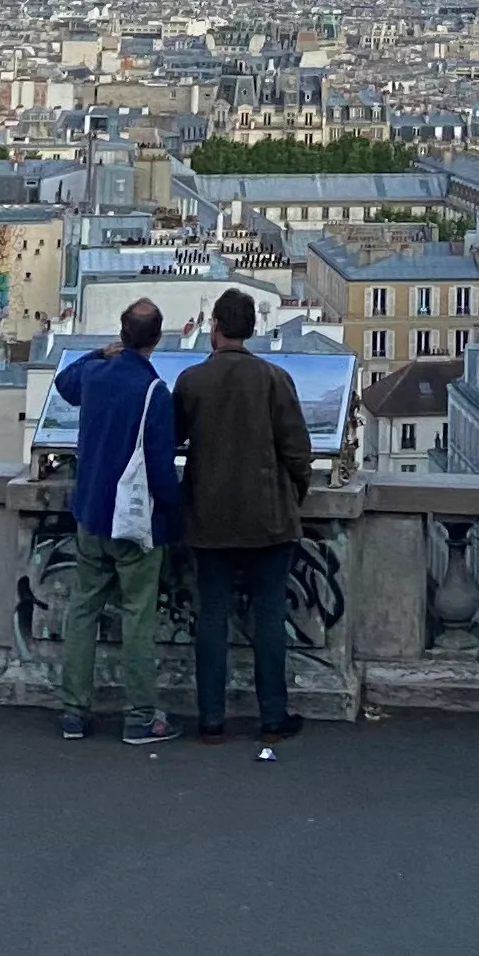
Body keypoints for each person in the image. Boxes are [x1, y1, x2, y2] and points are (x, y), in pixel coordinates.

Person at [172, 287, 315, 744]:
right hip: (268, 517)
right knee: (269, 616)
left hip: (209, 517)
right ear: (251, 328)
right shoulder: (274, 378)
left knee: (211, 617)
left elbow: (172, 440)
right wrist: (296, 494)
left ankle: (211, 718)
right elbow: (297, 451)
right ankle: (273, 714)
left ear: (215, 327)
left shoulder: (191, 381)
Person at [49, 299, 183, 745]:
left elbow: (63, 383)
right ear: (157, 338)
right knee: (138, 615)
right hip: (135, 521)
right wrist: (175, 512)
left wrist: (96, 353)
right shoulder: (155, 393)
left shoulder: (95, 375)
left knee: (83, 610)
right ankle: (141, 715)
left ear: (122, 334)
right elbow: (162, 471)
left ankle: (73, 710)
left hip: (90, 511)